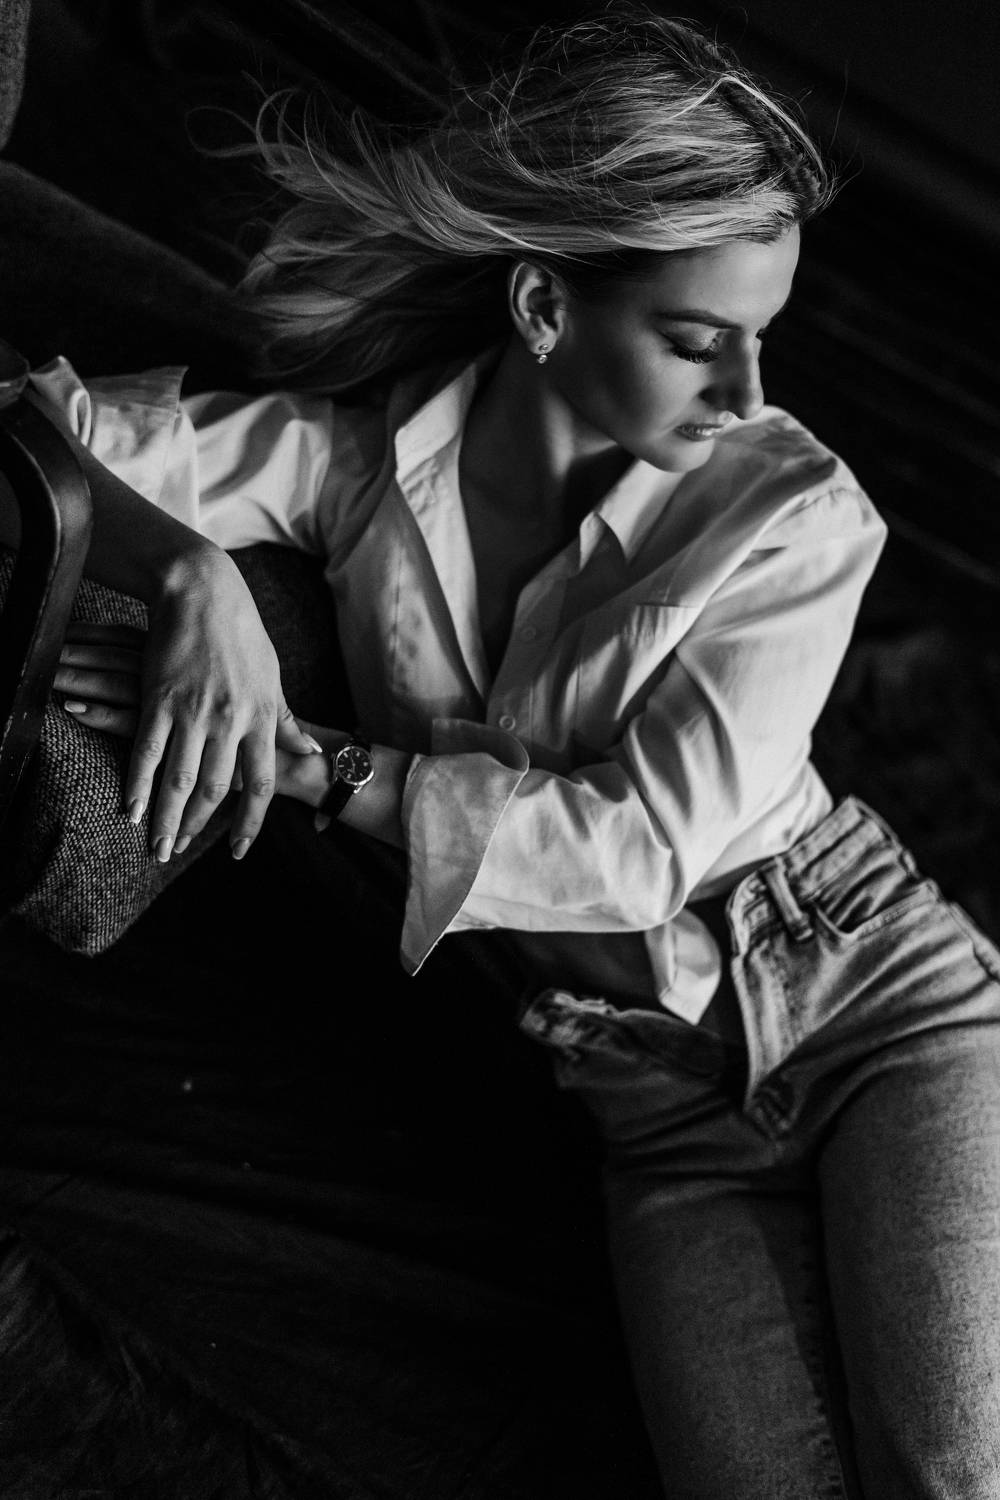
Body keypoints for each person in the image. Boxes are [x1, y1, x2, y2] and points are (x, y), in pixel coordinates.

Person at [14, 6, 1000, 1495]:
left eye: (762, 341)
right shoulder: (352, 469)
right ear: (543, 307)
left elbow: (637, 852)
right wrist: (187, 573)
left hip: (869, 999)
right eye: (697, 343)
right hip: (656, 1112)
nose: (746, 394)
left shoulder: (796, 513)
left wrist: (309, 762)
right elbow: (40, 430)